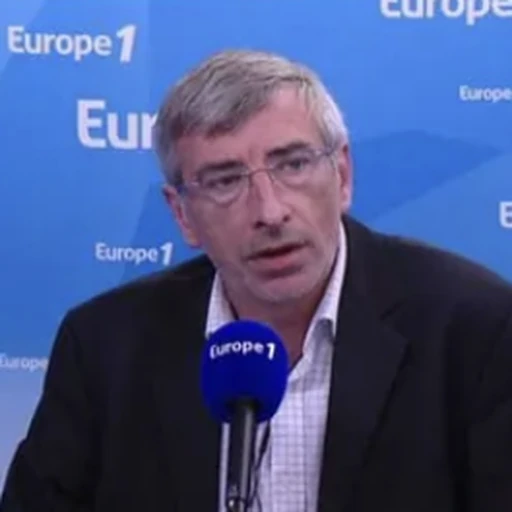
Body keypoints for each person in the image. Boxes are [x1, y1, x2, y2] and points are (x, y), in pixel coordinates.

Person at [1, 49, 511, 512]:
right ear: (182, 215)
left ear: (342, 175)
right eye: (224, 181)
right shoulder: (104, 347)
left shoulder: (477, 330)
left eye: (293, 164)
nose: (269, 212)